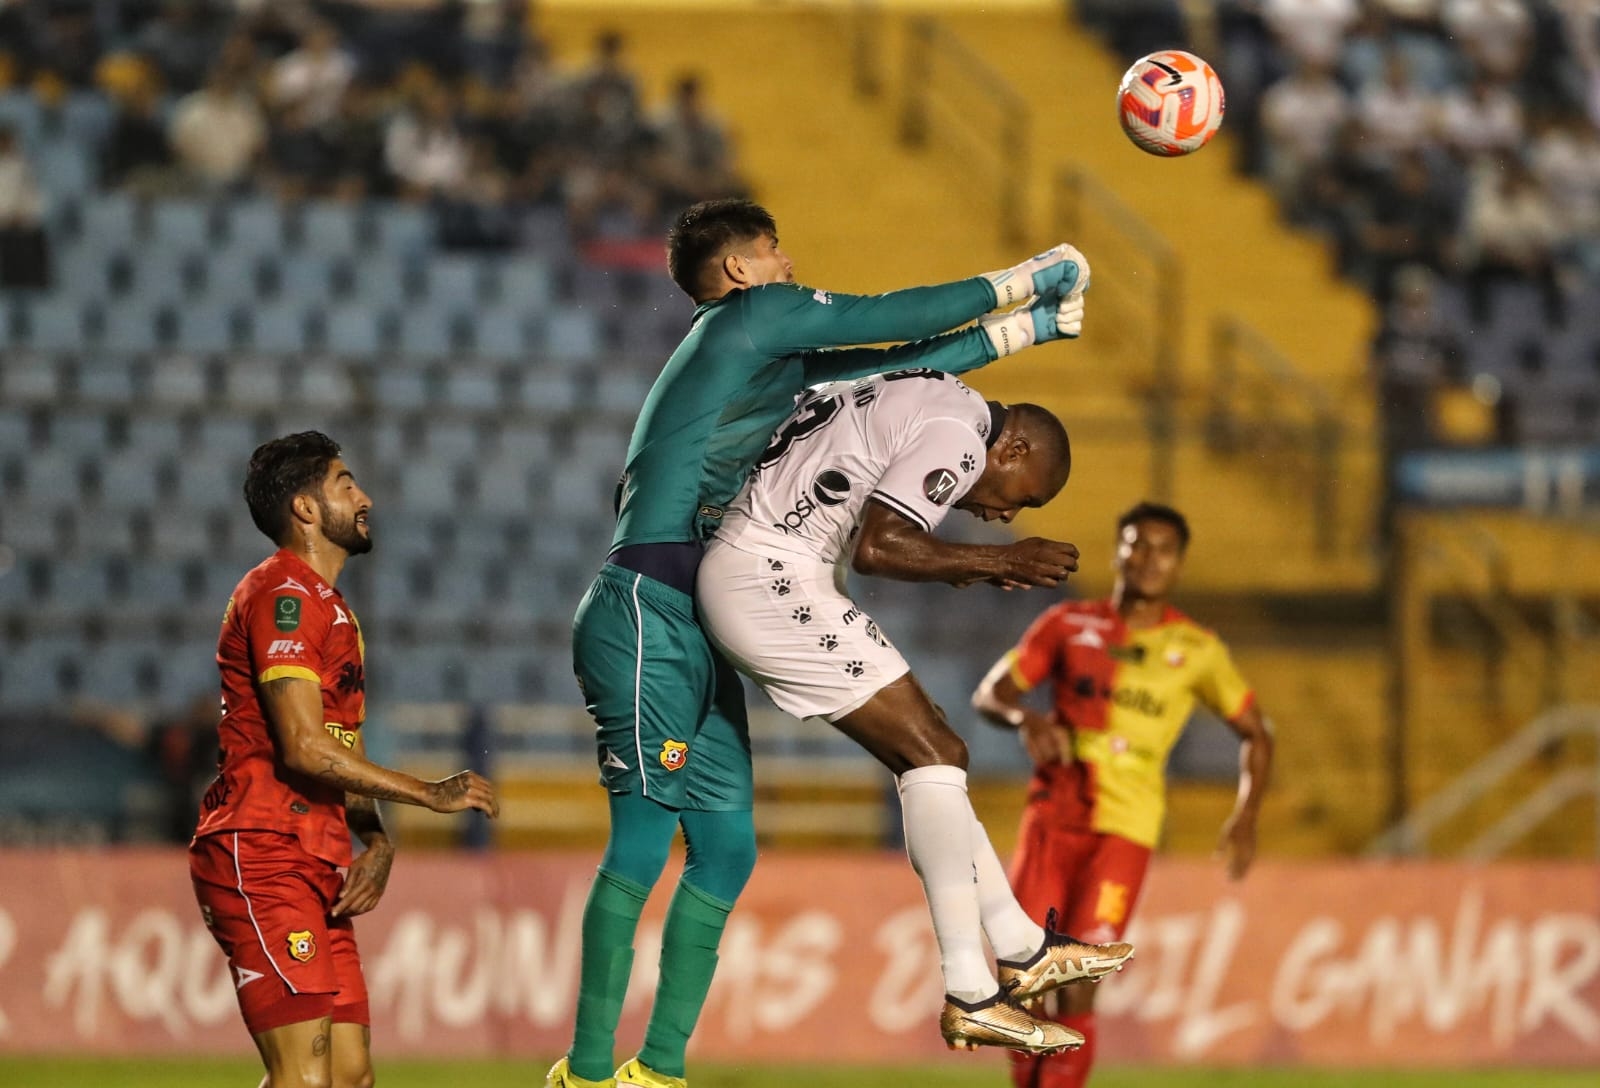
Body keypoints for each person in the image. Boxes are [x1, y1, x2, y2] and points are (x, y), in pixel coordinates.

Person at [551, 198, 1091, 1088]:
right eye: (772, 253)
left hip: (699, 611)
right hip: (648, 598)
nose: (788, 263)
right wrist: (1019, 280)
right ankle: (584, 1072)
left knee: (727, 850)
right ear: (737, 272)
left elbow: (898, 366)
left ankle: (659, 1072)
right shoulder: (749, 317)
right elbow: (895, 316)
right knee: (645, 843)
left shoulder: (769, 368)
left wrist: (1023, 332)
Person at [696, 372, 1134, 1056]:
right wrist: (998, 560)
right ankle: (970, 990)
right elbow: (881, 548)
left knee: (937, 758)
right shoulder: (962, 436)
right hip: (769, 577)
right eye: (1026, 498)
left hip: (768, 568)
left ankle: (1020, 947)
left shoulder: (933, 394)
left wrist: (967, 564)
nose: (1008, 514)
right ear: (1012, 447)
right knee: (937, 755)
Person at [189, 431, 499, 1088]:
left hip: (318, 857)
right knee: (305, 1077)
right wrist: (428, 793)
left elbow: (341, 748)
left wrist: (376, 840)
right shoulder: (283, 597)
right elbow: (304, 748)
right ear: (304, 509)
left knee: (351, 1074)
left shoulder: (332, 610)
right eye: (345, 484)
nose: (366, 498)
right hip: (262, 848)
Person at [971, 502, 1275, 1088]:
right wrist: (1022, 718)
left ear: (1179, 564)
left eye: (1163, 549)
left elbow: (1256, 733)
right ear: (1118, 552)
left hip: (1125, 829)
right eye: (1137, 544)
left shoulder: (1197, 650)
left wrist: (1246, 814)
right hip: (1052, 819)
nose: (1148, 558)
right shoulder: (1065, 624)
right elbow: (992, 693)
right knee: (1021, 976)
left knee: (1079, 975)